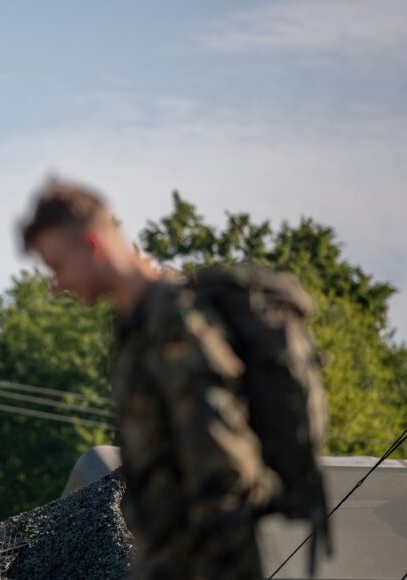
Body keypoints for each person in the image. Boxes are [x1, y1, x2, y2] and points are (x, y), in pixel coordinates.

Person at [22, 179, 283, 579]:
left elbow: (221, 459)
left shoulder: (174, 321)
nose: (57, 285)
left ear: (92, 244)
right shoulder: (136, 325)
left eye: (58, 266)